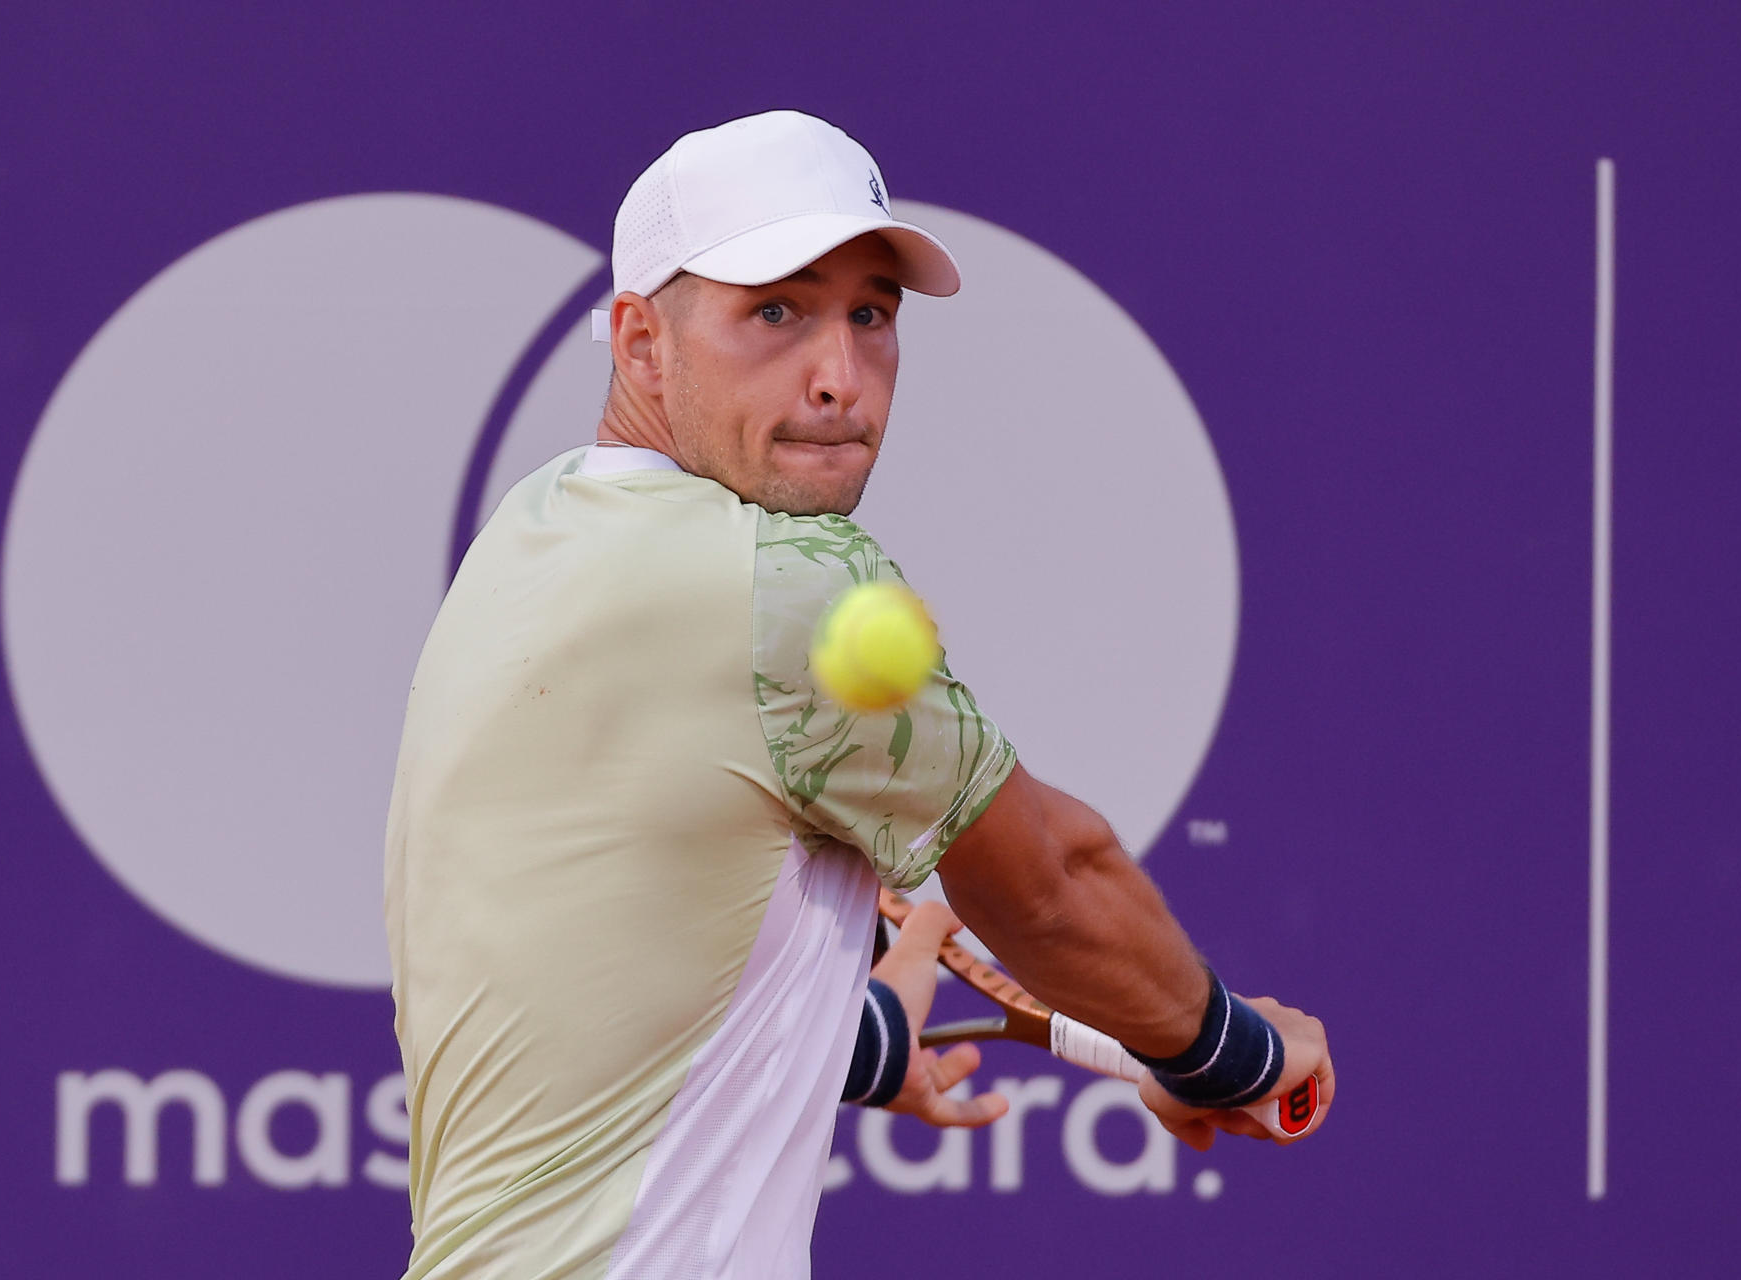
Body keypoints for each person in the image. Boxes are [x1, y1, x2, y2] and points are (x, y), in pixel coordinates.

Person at [383, 109, 1332, 1280]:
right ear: (640, 343)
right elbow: (1050, 886)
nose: (839, 378)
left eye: (869, 315)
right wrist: (1228, 1050)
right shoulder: (788, 587)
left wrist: (865, 1037)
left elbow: (601, 968)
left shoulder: (530, 541)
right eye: (774, 310)